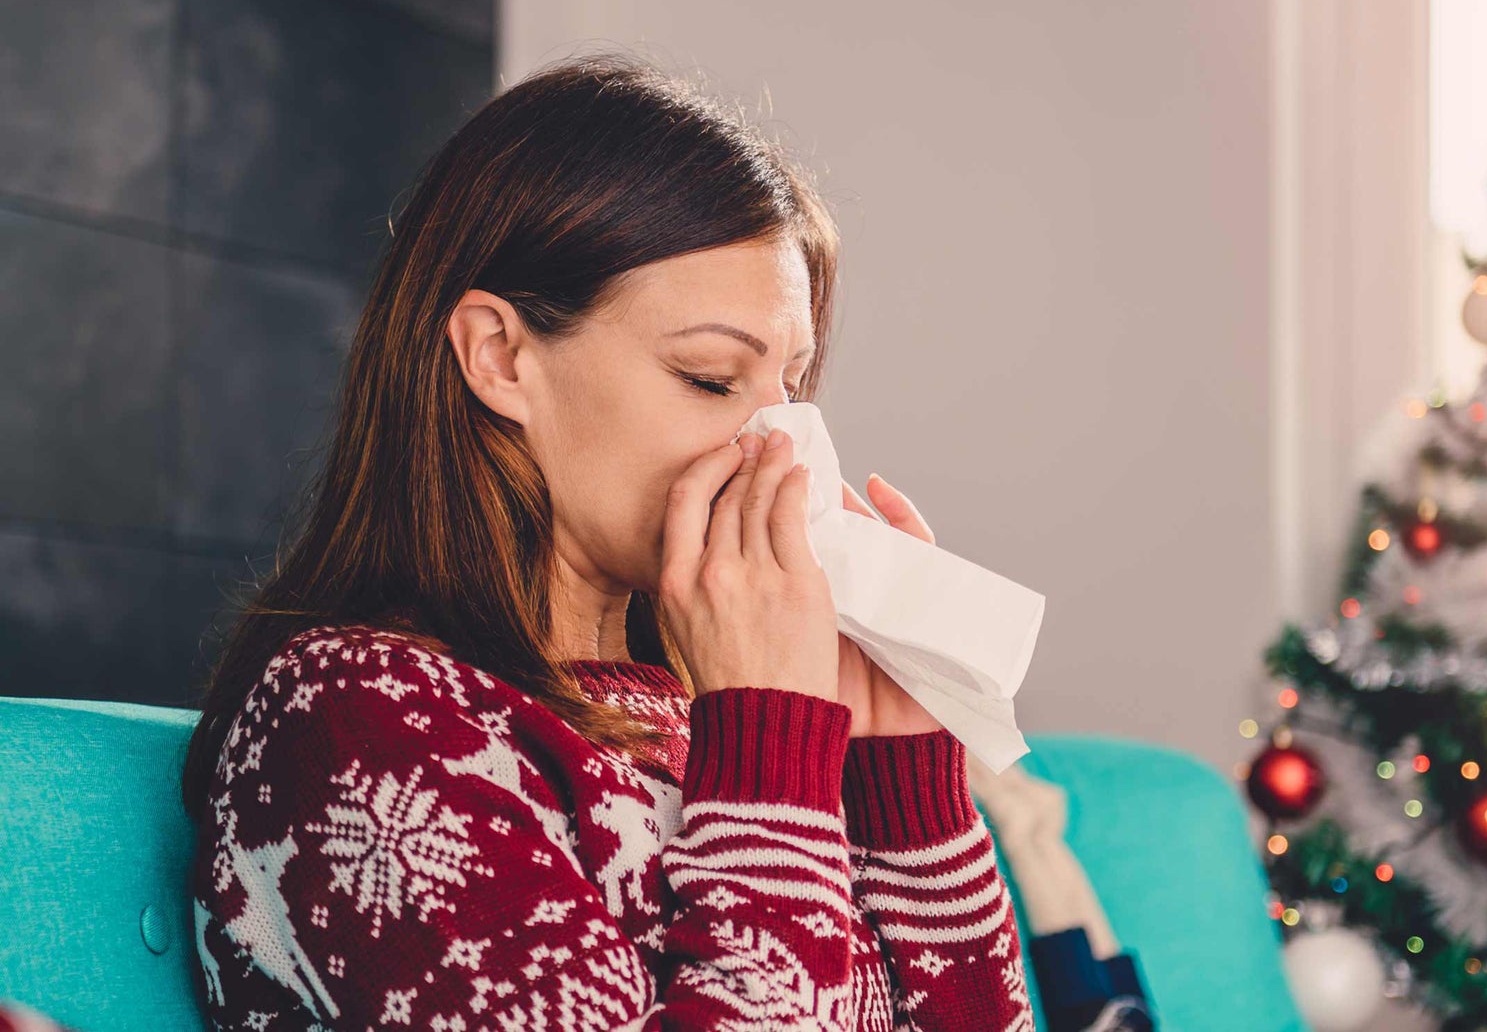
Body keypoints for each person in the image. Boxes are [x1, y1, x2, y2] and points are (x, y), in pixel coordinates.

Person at [179, 52, 1034, 1031]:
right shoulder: (359, 721)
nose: (783, 450)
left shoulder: (694, 711)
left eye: (788, 389)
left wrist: (904, 783)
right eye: (712, 377)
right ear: (500, 357)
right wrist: (765, 751)